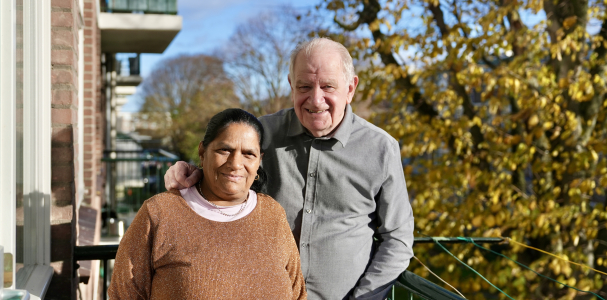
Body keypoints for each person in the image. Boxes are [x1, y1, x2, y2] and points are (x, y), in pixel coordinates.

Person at [165, 38, 414, 300]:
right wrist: (187, 172)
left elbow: (397, 240)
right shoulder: (261, 134)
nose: (316, 100)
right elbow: (221, 182)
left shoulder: (381, 149)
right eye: (304, 86)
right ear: (291, 86)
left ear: (350, 88)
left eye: (328, 86)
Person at [109, 109, 307, 299]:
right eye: (225, 150)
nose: (236, 163)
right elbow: (124, 295)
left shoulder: (273, 214)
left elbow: (297, 294)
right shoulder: (160, 214)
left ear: (259, 161)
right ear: (202, 152)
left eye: (248, 154)